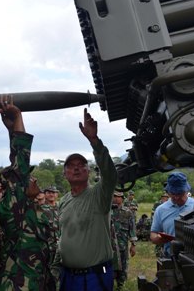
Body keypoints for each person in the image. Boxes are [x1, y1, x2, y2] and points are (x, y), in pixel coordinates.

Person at [0, 94, 58, 290]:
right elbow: (19, 163)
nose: (33, 179)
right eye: (28, 178)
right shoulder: (13, 210)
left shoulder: (32, 210)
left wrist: (12, 128)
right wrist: (18, 118)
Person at [57, 108, 118, 291]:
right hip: (68, 275)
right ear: (64, 173)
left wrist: (94, 141)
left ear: (88, 171)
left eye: (81, 165)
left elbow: (110, 174)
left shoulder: (99, 194)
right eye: (71, 166)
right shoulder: (64, 200)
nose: (76, 168)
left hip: (94, 277)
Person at [150, 172, 194, 257]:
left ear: (186, 190)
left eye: (180, 193)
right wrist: (159, 239)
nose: (176, 197)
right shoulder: (160, 210)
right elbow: (153, 235)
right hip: (171, 258)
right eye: (173, 194)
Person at [111, 192, 137, 291]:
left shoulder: (128, 212)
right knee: (108, 268)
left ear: (122, 198)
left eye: (119, 197)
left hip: (122, 246)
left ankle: (120, 286)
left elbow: (132, 229)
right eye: (115, 196)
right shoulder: (107, 211)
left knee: (123, 267)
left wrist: (133, 245)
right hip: (109, 247)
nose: (117, 199)